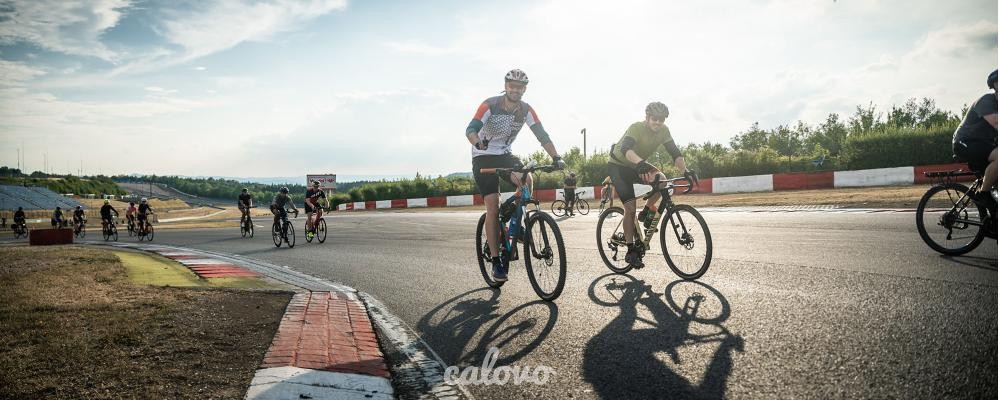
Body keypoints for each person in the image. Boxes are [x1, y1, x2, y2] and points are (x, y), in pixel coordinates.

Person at [465, 68, 565, 282]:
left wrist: (556, 157)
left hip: (505, 155)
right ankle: (496, 261)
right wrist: (478, 142)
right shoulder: (490, 104)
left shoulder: (526, 109)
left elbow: (541, 134)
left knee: (526, 179)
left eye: (520, 87)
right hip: (483, 157)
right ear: (505, 85)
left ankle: (511, 216)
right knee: (492, 205)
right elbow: (470, 129)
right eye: (512, 85)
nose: (515, 89)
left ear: (524, 89)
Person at [607, 101, 688, 268]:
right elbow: (626, 150)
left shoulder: (664, 131)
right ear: (647, 117)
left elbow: (675, 153)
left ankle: (645, 212)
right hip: (619, 166)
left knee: (662, 180)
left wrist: (686, 171)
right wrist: (640, 163)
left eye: (661, 119)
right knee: (630, 209)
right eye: (655, 118)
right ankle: (630, 250)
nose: (658, 122)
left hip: (638, 164)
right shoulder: (636, 127)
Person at [953, 69, 998, 233]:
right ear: (995, 85)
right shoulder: (987, 100)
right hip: (965, 143)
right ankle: (983, 194)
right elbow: (995, 122)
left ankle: (993, 221)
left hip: (983, 145)